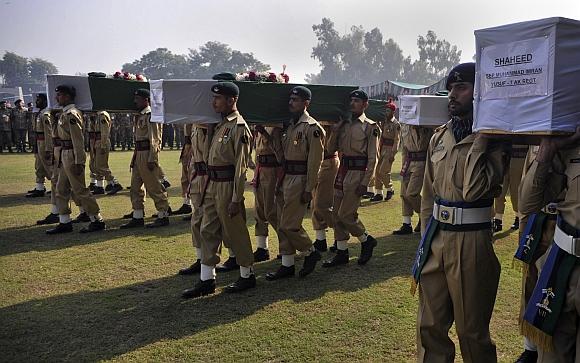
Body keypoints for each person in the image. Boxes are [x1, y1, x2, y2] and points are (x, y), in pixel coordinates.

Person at [413, 63, 508, 363]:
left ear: (479, 92)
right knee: (429, 327)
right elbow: (429, 193)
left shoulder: (495, 140)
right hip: (436, 238)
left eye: (461, 88)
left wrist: (481, 139)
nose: (452, 95)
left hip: (472, 242)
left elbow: (474, 190)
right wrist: (424, 240)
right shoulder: (439, 137)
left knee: (472, 333)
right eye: (451, 89)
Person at [182, 82, 255, 298]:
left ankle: (247, 274)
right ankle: (207, 279)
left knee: (235, 231)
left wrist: (236, 198)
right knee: (207, 230)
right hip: (212, 184)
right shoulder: (220, 125)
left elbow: (241, 168)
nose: (213, 102)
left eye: (218, 98)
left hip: (227, 187)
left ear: (232, 100)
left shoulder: (238, 127)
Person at [519, 127, 580, 363]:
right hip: (561, 264)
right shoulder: (565, 145)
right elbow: (527, 203)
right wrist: (549, 152)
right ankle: (529, 349)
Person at [264, 86, 324, 281]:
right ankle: (287, 264)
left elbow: (315, 162)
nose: (291, 103)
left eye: (296, 100)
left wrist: (309, 188)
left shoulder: (312, 128)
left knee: (290, 224)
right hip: (286, 177)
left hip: (300, 180)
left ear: (306, 103)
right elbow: (282, 156)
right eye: (290, 99)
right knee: (281, 223)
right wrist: (268, 136)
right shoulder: (290, 126)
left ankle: (310, 251)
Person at [512, 146, 560, 363]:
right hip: (537, 224)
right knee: (531, 285)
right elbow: (526, 192)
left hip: (566, 225)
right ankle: (530, 348)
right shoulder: (538, 138)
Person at [322, 90, 380, 267]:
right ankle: (342, 252)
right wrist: (335, 131)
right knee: (336, 215)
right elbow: (330, 150)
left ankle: (366, 239)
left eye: (357, 101)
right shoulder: (344, 125)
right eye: (351, 100)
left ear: (365, 105)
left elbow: (373, 158)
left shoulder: (371, 127)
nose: (353, 103)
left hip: (357, 173)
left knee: (346, 215)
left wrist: (365, 183)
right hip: (343, 171)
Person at [46, 85, 106, 234]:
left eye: (59, 95)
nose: (56, 98)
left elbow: (78, 140)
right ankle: (65, 221)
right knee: (60, 189)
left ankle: (96, 219)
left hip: (72, 155)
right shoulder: (63, 114)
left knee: (80, 189)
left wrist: (80, 161)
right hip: (64, 154)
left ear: (67, 96)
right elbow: (57, 135)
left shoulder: (72, 114)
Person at [120, 89, 171, 229]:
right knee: (135, 187)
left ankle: (163, 214)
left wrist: (152, 158)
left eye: (138, 99)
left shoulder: (150, 116)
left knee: (154, 186)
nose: (135, 101)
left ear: (146, 100)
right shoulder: (140, 116)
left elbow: (155, 139)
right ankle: (137, 215)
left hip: (147, 153)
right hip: (138, 153)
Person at [178, 123, 210, 276]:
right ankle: (200, 259)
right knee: (197, 220)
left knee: (223, 222)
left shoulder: (208, 123)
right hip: (198, 174)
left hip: (211, 177)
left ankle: (235, 258)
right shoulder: (196, 125)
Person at [393, 121, 433, 235]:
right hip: (408, 161)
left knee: (412, 193)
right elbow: (404, 147)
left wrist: (418, 128)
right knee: (403, 194)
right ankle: (406, 224)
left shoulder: (425, 126)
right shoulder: (404, 126)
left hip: (421, 162)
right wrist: (403, 167)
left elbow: (422, 145)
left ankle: (425, 216)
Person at [251, 124, 283, 261]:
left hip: (272, 170)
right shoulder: (259, 126)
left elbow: (279, 154)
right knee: (259, 211)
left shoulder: (276, 128)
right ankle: (262, 248)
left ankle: (286, 246)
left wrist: (264, 133)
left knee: (272, 212)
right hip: (260, 169)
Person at [311, 123, 339, 252]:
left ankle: (340, 232)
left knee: (322, 204)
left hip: (328, 162)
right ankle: (320, 239)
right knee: (315, 204)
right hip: (314, 163)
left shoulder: (332, 120)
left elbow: (331, 147)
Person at [493, 145, 528, 232]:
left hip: (519, 155)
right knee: (499, 191)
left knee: (515, 192)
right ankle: (498, 220)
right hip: (503, 157)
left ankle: (518, 217)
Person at [370, 101, 400, 202]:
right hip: (381, 148)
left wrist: (393, 153)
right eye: (385, 110)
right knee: (378, 171)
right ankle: (378, 192)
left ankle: (390, 189)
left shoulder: (396, 124)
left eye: (388, 111)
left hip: (389, 148)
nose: (386, 112)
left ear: (393, 112)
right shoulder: (384, 122)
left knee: (384, 171)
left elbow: (397, 140)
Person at [26, 94, 51, 198]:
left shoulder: (45, 114)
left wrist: (49, 148)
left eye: (39, 100)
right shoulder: (39, 113)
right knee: (39, 166)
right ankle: (40, 188)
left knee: (49, 166)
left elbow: (48, 132)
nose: (37, 102)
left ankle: (57, 188)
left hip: (44, 142)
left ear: (45, 101)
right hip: (39, 141)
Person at [173, 124, 194, 216]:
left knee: (193, 178)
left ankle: (196, 207)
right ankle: (187, 203)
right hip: (187, 145)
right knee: (185, 178)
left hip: (194, 145)